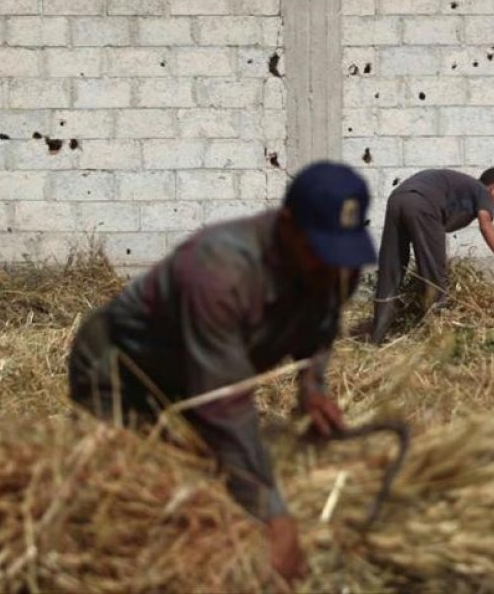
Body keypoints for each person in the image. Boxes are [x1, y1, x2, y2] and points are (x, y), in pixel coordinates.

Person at [66, 161, 377, 584]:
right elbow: (224, 404)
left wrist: (312, 387)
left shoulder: (333, 265)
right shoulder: (218, 270)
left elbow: (321, 324)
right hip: (124, 368)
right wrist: (276, 518)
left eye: (342, 254)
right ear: (287, 226)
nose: (334, 269)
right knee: (121, 496)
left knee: (207, 486)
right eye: (321, 251)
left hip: (200, 371)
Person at [370, 166, 494, 344]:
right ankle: (438, 340)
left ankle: (376, 337)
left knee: (391, 270)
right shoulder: (482, 191)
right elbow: (486, 226)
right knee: (434, 277)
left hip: (398, 198)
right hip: (424, 204)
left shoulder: (463, 186)